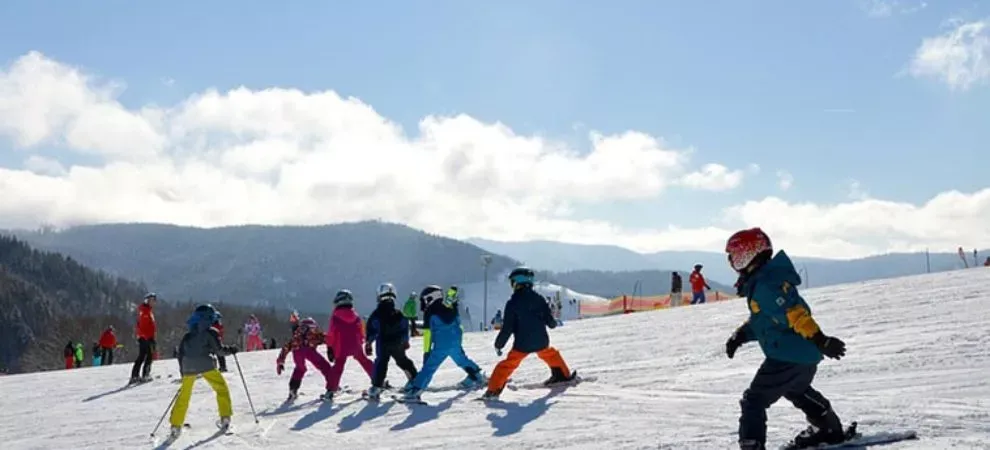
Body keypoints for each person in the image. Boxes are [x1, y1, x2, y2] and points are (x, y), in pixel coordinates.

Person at [723, 227, 848, 450]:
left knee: (754, 401)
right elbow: (766, 320)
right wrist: (740, 335)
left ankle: (752, 445)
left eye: (734, 257)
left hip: (787, 356)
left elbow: (795, 314)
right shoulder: (765, 281)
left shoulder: (766, 286)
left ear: (748, 254)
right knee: (796, 390)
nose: (732, 263)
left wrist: (821, 339)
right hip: (803, 355)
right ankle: (828, 429)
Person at [482, 267, 574, 400]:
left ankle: (493, 390)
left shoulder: (512, 303)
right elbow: (551, 322)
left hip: (522, 345)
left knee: (507, 365)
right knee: (550, 354)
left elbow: (507, 328)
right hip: (541, 341)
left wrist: (499, 344)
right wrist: (553, 323)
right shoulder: (539, 299)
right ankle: (562, 375)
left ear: (516, 283)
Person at [399, 285, 486, 402]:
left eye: (425, 299)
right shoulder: (451, 307)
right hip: (455, 342)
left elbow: (428, 334)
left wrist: (427, 352)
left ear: (430, 297)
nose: (424, 303)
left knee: (429, 367)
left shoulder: (430, 312)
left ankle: (416, 390)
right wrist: (457, 343)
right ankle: (476, 376)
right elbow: (459, 326)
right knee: (461, 360)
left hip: (441, 346)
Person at [167, 304, 238, 442]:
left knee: (184, 396)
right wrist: (232, 350)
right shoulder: (211, 332)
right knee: (221, 388)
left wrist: (183, 372)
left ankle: (175, 425)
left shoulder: (187, 335)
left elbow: (180, 354)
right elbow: (219, 351)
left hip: (188, 366)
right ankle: (225, 418)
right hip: (206, 365)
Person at [364, 283, 419, 399]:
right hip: (397, 343)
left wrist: (369, 342)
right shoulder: (399, 313)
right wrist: (405, 341)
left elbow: (372, 329)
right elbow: (405, 328)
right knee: (403, 361)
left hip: (383, 343)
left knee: (381, 363)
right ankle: (415, 381)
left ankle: (376, 387)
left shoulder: (376, 314)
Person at [324, 289, 375, 402]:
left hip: (341, 346)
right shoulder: (355, 315)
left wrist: (330, 347)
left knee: (338, 367)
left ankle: (331, 390)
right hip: (355, 344)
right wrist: (361, 342)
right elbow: (361, 330)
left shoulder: (336, 316)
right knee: (364, 361)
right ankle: (378, 380)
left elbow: (331, 333)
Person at [276, 316, 335, 402]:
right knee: (324, 366)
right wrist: (331, 349)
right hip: (309, 350)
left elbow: (286, 347)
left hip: (297, 351)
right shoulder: (314, 333)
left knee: (300, 369)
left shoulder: (297, 335)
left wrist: (281, 361)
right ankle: (331, 387)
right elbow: (327, 338)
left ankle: (293, 389)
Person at [130, 292, 158, 383]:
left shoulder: (146, 310)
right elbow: (143, 326)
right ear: (147, 301)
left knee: (142, 356)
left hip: (145, 337)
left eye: (154, 300)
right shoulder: (145, 312)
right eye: (152, 300)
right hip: (146, 338)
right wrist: (148, 338)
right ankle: (145, 375)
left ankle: (135, 375)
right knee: (148, 356)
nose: (154, 302)